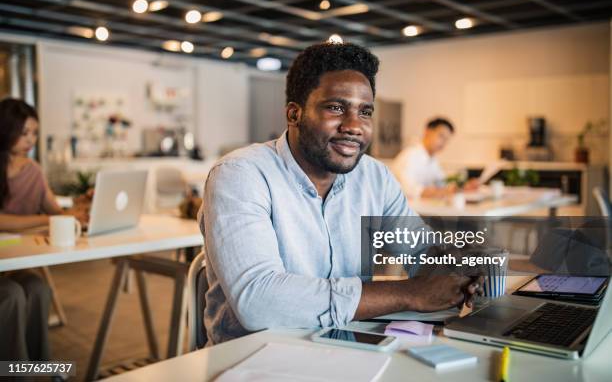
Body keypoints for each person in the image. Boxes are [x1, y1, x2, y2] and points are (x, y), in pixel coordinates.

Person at [199, 43, 482, 345]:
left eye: (365, 111)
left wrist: (455, 269)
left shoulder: (375, 178)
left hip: (349, 347)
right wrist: (410, 293)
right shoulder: (240, 174)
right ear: (294, 114)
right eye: (335, 107)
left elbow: (419, 250)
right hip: (254, 359)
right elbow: (258, 302)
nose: (354, 126)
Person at [0, 98, 85, 361]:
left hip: (14, 260)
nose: (31, 140)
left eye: (34, 133)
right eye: (24, 133)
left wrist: (78, 211)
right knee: (12, 295)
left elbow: (54, 212)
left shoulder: (34, 171)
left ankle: (37, 368)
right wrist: (45, 222)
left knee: (38, 289)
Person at [391, 118, 478, 199]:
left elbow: (442, 184)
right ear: (427, 131)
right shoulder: (410, 156)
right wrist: (439, 192)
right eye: (441, 136)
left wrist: (463, 187)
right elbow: (408, 189)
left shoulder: (432, 160)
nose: (444, 143)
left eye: (447, 140)